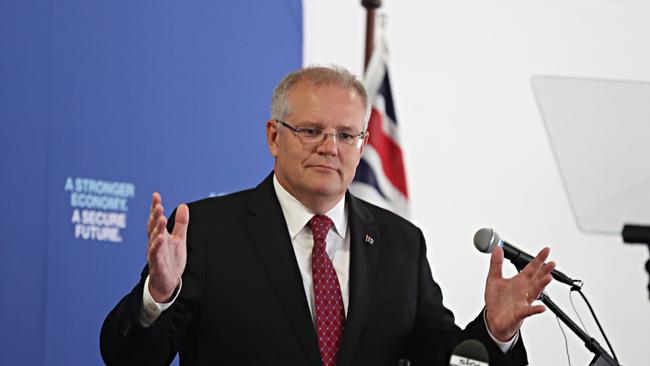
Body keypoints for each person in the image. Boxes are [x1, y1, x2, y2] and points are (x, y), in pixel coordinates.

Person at [100, 65, 554, 366]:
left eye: (346, 134)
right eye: (312, 130)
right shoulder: (208, 233)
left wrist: (493, 331)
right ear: (274, 137)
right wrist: (157, 296)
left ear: (363, 143)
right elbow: (129, 357)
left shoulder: (400, 242)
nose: (329, 147)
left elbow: (438, 355)